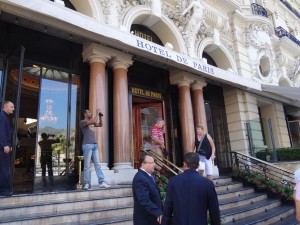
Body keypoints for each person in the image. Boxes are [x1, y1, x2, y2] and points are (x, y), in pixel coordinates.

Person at [162, 152, 220, 225]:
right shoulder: (207, 183)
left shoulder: (173, 182)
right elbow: (214, 211)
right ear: (198, 165)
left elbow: (168, 208)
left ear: (185, 164)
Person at [80, 108, 110, 190]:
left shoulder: (91, 122)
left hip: (94, 145)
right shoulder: (83, 122)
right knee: (87, 166)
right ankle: (86, 183)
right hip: (87, 145)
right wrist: (97, 112)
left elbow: (100, 124)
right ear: (85, 114)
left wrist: (100, 117)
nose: (91, 113)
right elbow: (92, 121)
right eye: (89, 112)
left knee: (98, 164)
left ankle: (101, 182)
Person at [132, 153, 163, 225]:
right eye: (151, 162)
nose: (154, 165)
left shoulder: (147, 176)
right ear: (143, 164)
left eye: (154, 162)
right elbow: (144, 200)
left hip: (153, 219)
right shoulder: (140, 178)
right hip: (146, 220)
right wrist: (157, 212)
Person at [0, 101, 15, 196]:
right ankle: (4, 191)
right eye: (12, 107)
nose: (13, 108)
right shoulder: (2, 116)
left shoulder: (4, 117)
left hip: (5, 147)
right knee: (4, 169)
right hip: (3, 148)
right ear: (5, 107)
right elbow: (1, 132)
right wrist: (5, 145)